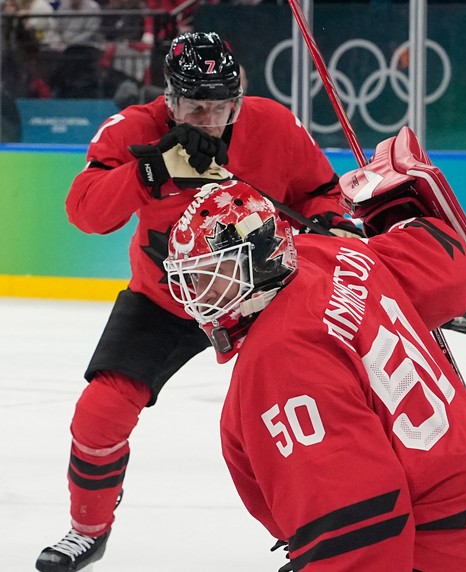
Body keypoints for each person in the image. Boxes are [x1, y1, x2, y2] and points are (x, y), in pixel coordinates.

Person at [36, 31, 349, 572]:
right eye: (193, 106)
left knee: (288, 422)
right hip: (167, 299)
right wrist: (152, 170)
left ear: (239, 97)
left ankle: (313, 534)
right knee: (100, 414)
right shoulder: (135, 128)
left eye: (221, 106)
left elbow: (322, 193)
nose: (207, 119)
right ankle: (87, 531)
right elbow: (84, 211)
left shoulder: (272, 123)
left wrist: (328, 225)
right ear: (170, 98)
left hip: (264, 299)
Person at [162, 144, 466, 570]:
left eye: (213, 273)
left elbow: (359, 523)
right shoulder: (329, 253)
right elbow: (447, 270)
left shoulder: (280, 357)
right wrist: (395, 213)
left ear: (258, 262)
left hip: (436, 542)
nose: (199, 295)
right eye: (194, 277)